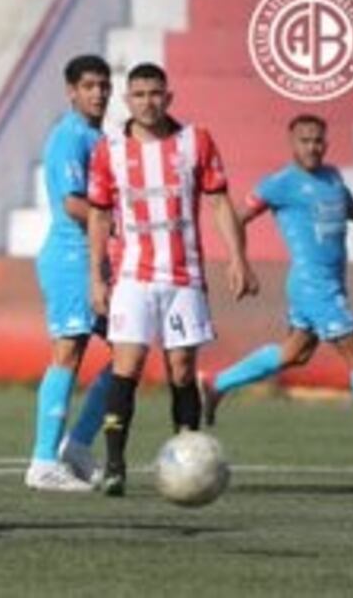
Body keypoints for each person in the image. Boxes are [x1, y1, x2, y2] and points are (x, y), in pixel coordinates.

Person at [87, 62, 258, 497]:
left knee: (182, 371)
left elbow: (220, 203)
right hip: (132, 276)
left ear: (169, 97)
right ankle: (114, 466)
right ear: (128, 101)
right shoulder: (110, 150)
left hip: (185, 276)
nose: (148, 102)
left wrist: (239, 257)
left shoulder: (193, 142)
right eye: (139, 94)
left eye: (156, 93)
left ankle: (187, 461)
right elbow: (100, 214)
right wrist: (97, 276)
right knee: (127, 366)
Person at [204, 114, 353, 423]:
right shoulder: (280, 184)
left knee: (296, 353)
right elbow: (236, 217)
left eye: (318, 141)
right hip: (313, 285)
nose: (312, 147)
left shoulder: (332, 176)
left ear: (326, 144)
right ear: (292, 144)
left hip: (330, 282)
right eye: (305, 141)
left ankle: (217, 383)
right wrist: (240, 261)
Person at [26, 54, 115, 492]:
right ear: (71, 91)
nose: (98, 93)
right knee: (68, 352)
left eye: (103, 85)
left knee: (128, 350)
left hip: (96, 258)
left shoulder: (99, 137)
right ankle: (43, 462)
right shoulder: (69, 136)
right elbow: (74, 205)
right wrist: (128, 219)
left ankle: (77, 445)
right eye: (89, 86)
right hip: (70, 258)